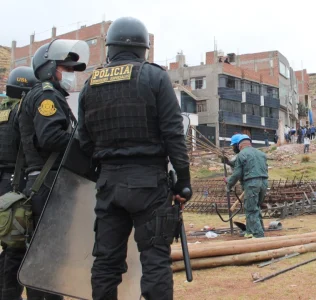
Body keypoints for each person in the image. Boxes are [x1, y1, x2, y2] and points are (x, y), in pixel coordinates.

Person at [77, 17, 190, 300]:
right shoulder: (155, 77)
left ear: (109, 48)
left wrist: (104, 170)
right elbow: (173, 134)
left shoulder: (91, 84)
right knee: (154, 261)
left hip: (108, 185)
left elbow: (84, 139)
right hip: (149, 184)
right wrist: (183, 182)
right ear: (144, 49)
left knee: (106, 263)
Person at [18, 38, 90, 300]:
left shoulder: (48, 94)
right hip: (47, 185)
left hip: (46, 184)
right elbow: (51, 138)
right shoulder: (46, 95)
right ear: (50, 68)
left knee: (51, 255)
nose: (70, 75)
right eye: (66, 68)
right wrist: (85, 141)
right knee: (46, 255)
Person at [0, 66, 37, 300]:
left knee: (8, 246)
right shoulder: (21, 112)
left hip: (3, 187)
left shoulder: (3, 110)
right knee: (19, 248)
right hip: (17, 186)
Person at [226, 134, 268, 239]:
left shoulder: (241, 155)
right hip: (264, 183)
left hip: (252, 184)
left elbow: (237, 174)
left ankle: (258, 235)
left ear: (239, 145)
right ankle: (250, 231)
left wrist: (229, 184)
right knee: (255, 207)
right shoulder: (261, 154)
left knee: (251, 209)